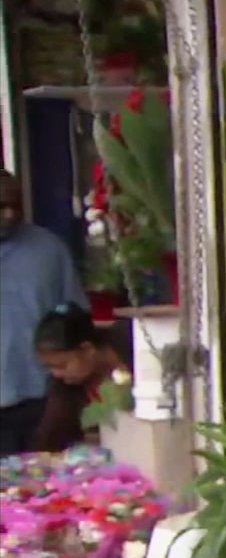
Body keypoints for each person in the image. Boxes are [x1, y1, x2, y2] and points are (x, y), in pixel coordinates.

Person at [0, 168, 87, 455]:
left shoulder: (48, 250)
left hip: (41, 401)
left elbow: (76, 320)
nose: (10, 214)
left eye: (15, 204)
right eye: (1, 207)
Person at [31, 303, 129, 452]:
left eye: (62, 365)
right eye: (49, 368)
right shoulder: (65, 388)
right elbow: (50, 439)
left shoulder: (136, 350)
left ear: (87, 349)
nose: (56, 373)